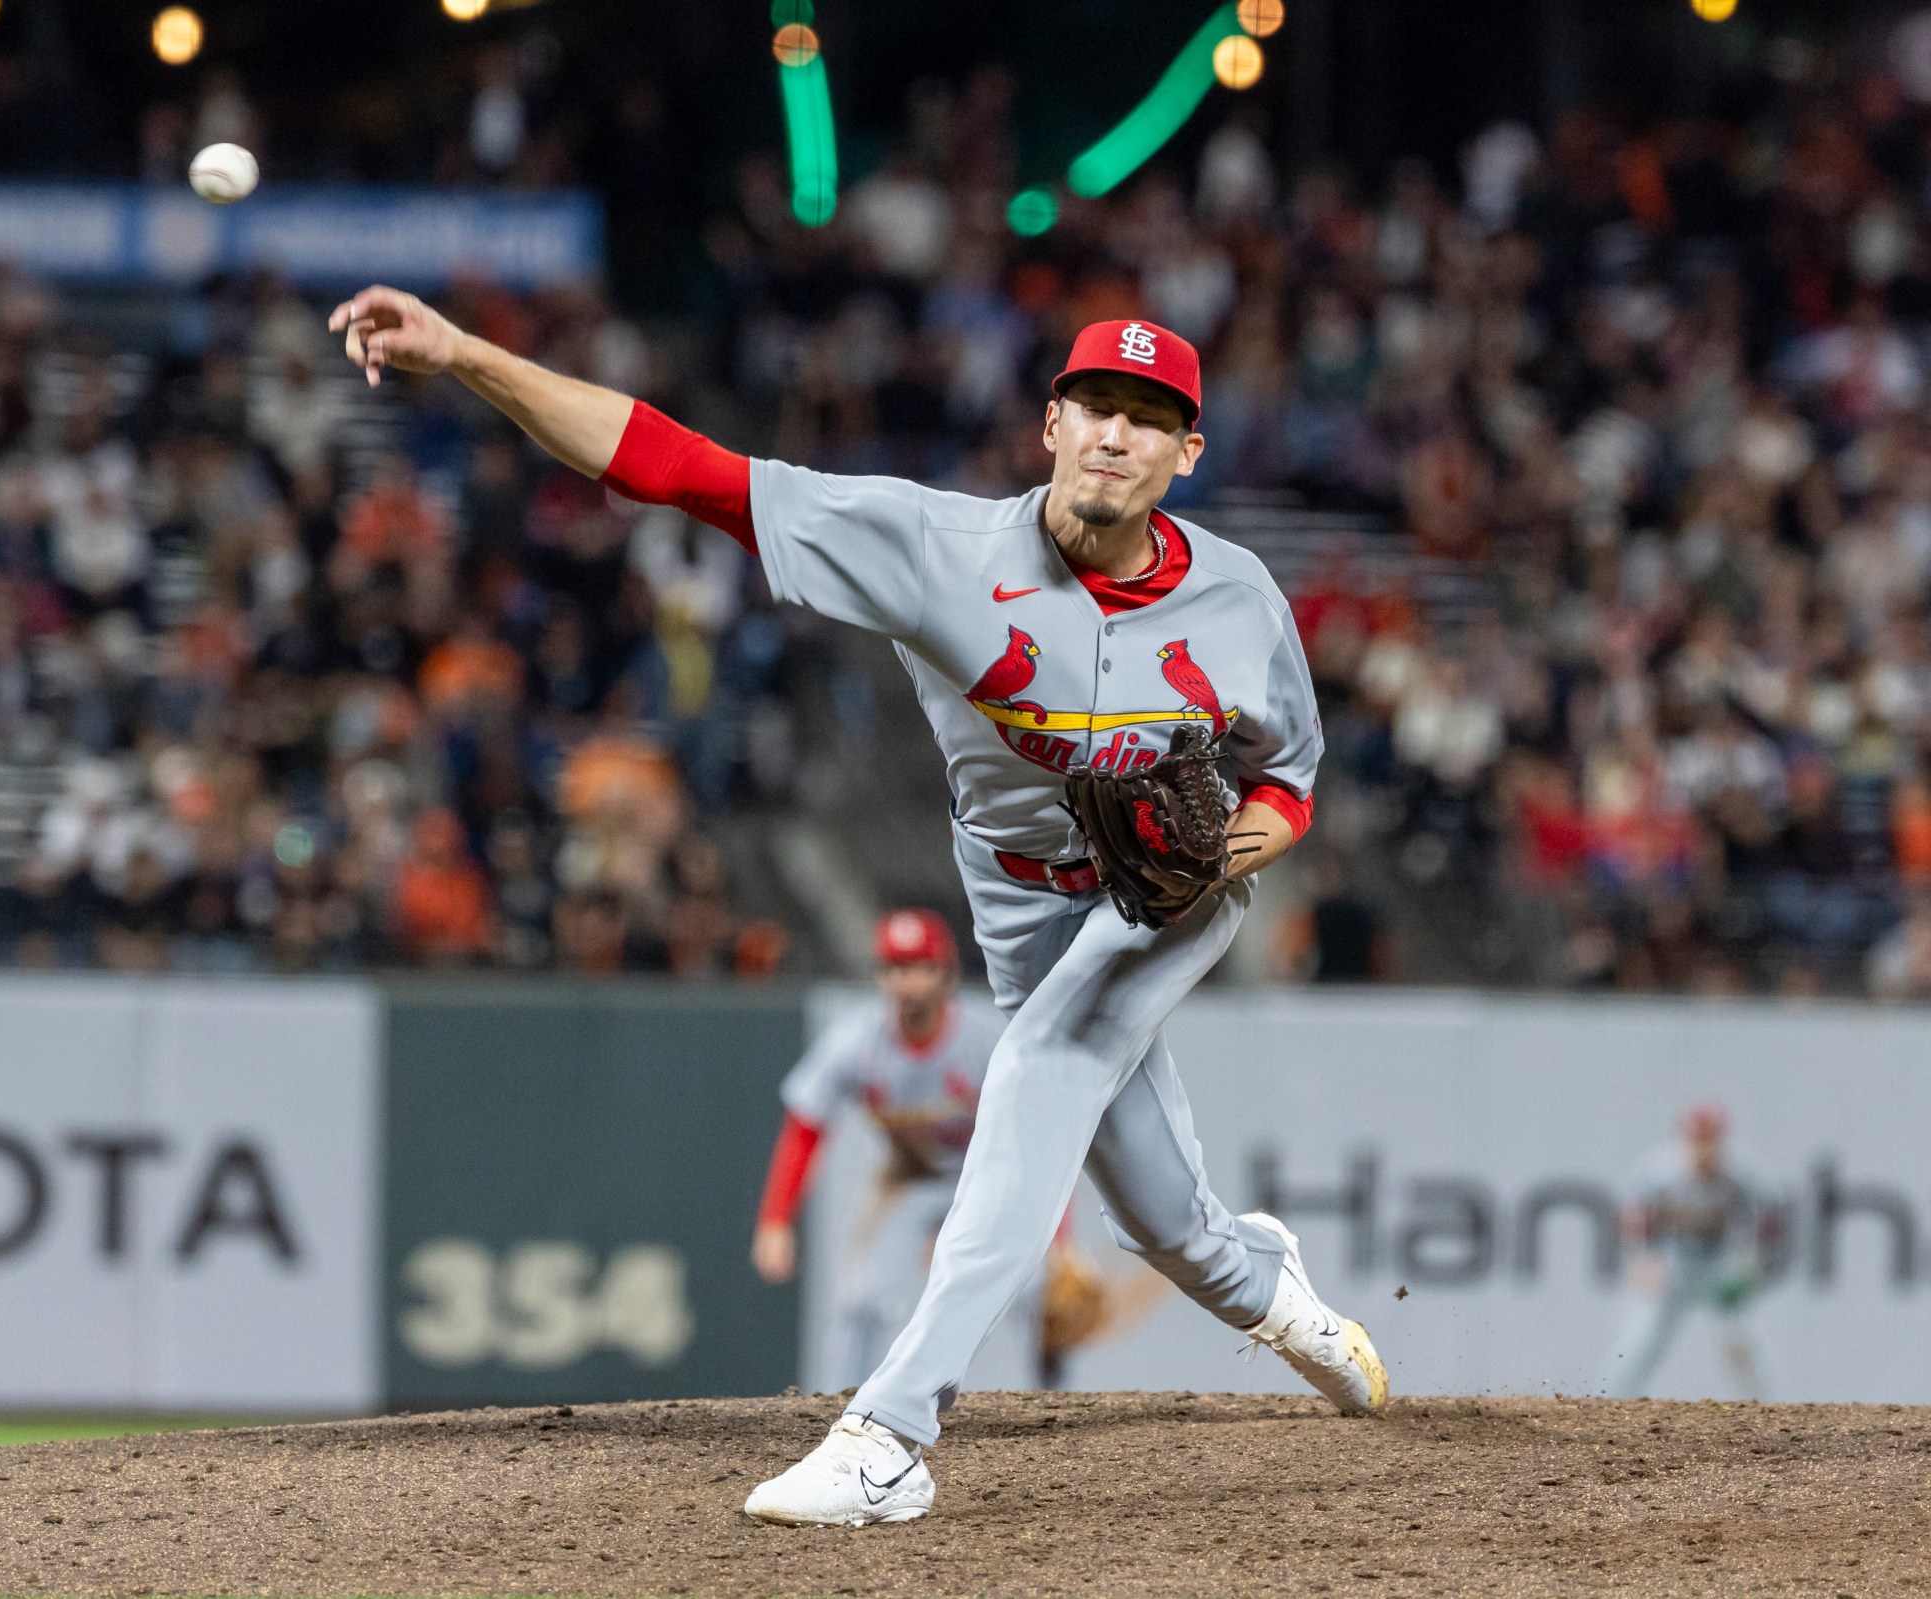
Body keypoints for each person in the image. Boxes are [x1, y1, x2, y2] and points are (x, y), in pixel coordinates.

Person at [330, 289, 1386, 1530]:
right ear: (1050, 422)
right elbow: (682, 472)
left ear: (1186, 454)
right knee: (1164, 1224)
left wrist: (1249, 841)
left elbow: (1290, 776)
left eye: (1150, 419)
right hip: (1020, 901)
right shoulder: (933, 546)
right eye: (1096, 404)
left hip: (1168, 898)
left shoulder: (1242, 596)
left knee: (1038, 1070)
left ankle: (892, 1433)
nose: (1116, 433)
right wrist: (460, 354)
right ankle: (1268, 1285)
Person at [753, 908, 1040, 1391]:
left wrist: (1057, 1230)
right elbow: (805, 1126)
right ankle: (840, 1412)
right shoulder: (858, 1041)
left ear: (946, 973)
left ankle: (1052, 1412)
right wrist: (775, 1220)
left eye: (919, 967)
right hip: (908, 1177)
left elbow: (1035, 1131)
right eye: (893, 968)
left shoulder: (988, 1039)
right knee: (860, 1299)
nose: (905, 981)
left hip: (985, 1181)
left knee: (1038, 1296)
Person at [1606, 1103, 1776, 1400]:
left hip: (1718, 1269)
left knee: (1738, 1340)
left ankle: (1764, 1412)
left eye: (1711, 1139)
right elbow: (1632, 1222)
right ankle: (1606, 1405)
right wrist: (1643, 1261)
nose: (1704, 1148)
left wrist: (1748, 1265)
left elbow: (1768, 1225)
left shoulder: (1742, 1175)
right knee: (1640, 1339)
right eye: (1697, 1139)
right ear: (1684, 1139)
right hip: (1673, 1267)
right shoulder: (1658, 1171)